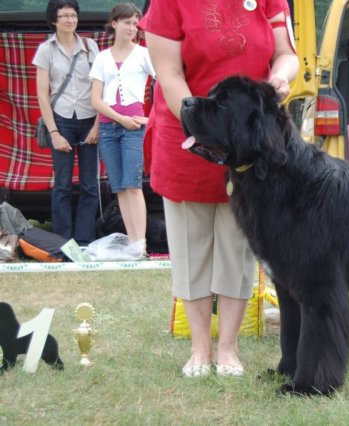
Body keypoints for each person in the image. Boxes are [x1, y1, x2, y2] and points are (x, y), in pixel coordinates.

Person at [139, 1, 299, 377]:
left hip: (247, 148)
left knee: (236, 253)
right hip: (189, 136)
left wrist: (280, 76)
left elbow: (287, 54)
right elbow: (169, 74)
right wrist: (203, 129)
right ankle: (200, 350)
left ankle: (228, 349)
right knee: (191, 250)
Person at [33, 0, 100, 246]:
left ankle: (84, 240)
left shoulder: (90, 46)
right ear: (54, 20)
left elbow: (101, 88)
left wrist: (97, 125)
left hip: (89, 117)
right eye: (64, 16)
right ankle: (61, 243)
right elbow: (42, 94)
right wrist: (53, 132)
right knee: (61, 184)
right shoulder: (45, 50)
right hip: (61, 119)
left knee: (89, 184)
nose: (70, 20)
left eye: (73, 15)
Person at [90, 3, 155, 256]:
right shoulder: (102, 57)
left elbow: (163, 83)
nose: (132, 27)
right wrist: (118, 118)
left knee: (134, 184)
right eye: (127, 22)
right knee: (118, 187)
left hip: (133, 127)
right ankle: (132, 243)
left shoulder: (143, 54)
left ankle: (142, 244)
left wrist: (150, 119)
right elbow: (95, 99)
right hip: (109, 127)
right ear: (114, 23)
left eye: (135, 22)